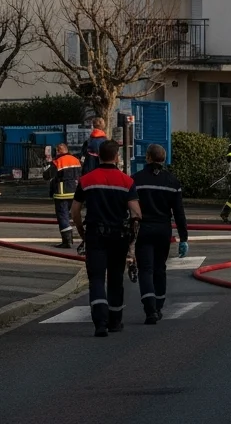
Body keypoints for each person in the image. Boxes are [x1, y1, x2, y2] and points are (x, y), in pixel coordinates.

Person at [71, 139, 141, 337]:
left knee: (96, 279)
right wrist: (132, 242)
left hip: (95, 235)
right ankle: (115, 321)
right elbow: (136, 214)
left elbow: (75, 211)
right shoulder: (127, 181)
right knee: (116, 278)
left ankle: (100, 322)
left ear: (99, 156)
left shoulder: (86, 180)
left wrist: (82, 232)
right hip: (118, 236)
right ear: (117, 157)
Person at [132, 143, 190, 324]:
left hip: (143, 229)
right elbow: (179, 212)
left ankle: (150, 309)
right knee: (159, 268)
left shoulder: (136, 180)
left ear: (147, 157)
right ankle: (158, 305)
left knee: (145, 269)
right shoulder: (172, 181)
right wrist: (183, 238)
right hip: (163, 229)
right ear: (164, 159)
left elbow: (129, 208)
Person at [42, 142, 81, 248]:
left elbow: (47, 175)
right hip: (75, 192)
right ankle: (78, 237)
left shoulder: (58, 161)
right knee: (74, 215)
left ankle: (67, 241)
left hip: (62, 193)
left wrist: (47, 166)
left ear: (58, 151)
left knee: (63, 216)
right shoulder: (76, 160)